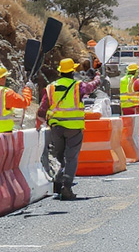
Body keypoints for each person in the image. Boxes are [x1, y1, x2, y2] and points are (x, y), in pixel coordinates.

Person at [37, 58, 103, 200]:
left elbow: (42, 110)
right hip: (73, 127)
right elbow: (91, 87)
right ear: (73, 71)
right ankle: (66, 187)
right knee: (71, 158)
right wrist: (98, 77)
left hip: (56, 128)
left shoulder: (51, 87)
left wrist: (41, 125)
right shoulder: (77, 86)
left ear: (60, 72)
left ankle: (58, 181)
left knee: (60, 157)